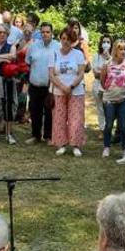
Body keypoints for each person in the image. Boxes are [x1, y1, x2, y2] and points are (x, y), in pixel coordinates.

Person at [50, 27, 87, 157]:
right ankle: (61, 144)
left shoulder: (78, 54)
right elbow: (51, 75)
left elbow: (81, 73)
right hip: (58, 91)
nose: (65, 42)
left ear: (73, 41)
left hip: (76, 92)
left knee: (75, 119)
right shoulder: (54, 53)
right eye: (63, 38)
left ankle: (76, 145)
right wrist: (62, 87)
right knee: (59, 118)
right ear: (60, 39)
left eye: (68, 39)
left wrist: (70, 87)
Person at [25, 22, 59, 144]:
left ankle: (49, 136)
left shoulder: (58, 47)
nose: (45, 34)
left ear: (52, 33)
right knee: (35, 111)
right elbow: (27, 64)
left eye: (47, 32)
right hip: (35, 85)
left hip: (51, 86)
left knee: (50, 112)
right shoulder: (33, 46)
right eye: (42, 32)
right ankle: (35, 135)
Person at [101, 39, 125, 158]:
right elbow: (102, 80)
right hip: (109, 99)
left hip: (124, 99)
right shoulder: (108, 63)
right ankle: (106, 147)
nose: (123, 51)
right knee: (109, 125)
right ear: (115, 50)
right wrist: (110, 89)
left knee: (123, 126)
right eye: (121, 49)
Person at [91, 35, 112, 131]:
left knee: (109, 108)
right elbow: (95, 73)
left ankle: (108, 127)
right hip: (97, 85)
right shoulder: (96, 56)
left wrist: (108, 58)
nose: (106, 44)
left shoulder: (113, 58)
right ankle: (102, 128)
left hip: (109, 86)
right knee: (100, 107)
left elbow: (113, 73)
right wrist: (104, 73)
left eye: (108, 42)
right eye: (104, 42)